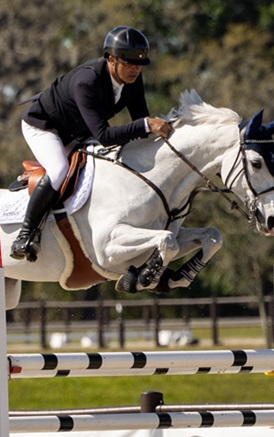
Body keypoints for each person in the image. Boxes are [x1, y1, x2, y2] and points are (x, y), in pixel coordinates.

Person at [10, 25, 174, 261]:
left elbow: (140, 121)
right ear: (110, 60)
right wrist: (147, 125)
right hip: (45, 127)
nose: (135, 69)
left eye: (139, 64)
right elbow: (106, 135)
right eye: (127, 62)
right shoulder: (87, 81)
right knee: (58, 170)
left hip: (78, 131)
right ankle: (24, 236)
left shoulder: (134, 81)